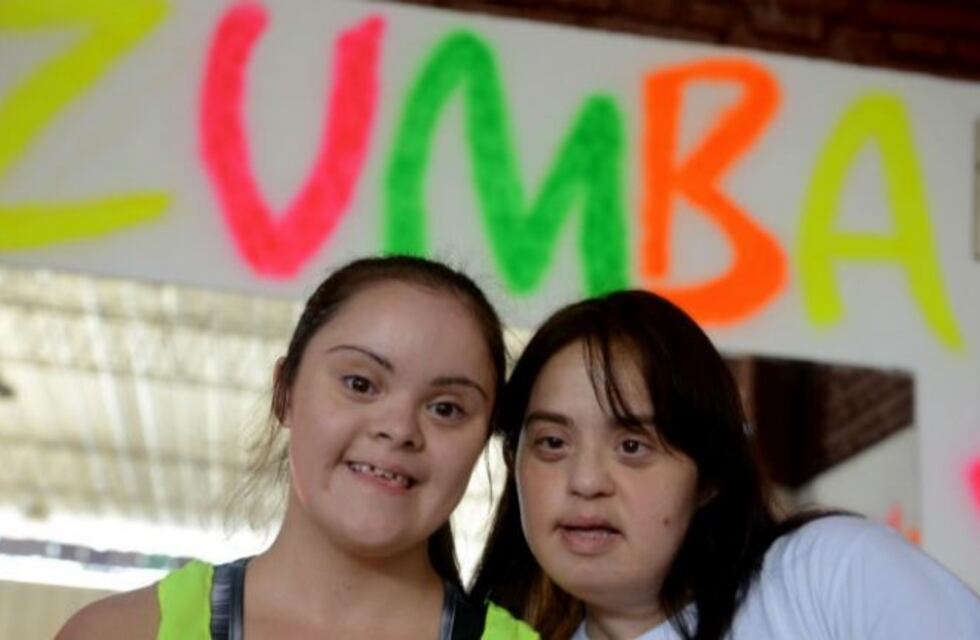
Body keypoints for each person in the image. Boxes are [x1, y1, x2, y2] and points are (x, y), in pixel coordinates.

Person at [58, 255, 537, 640]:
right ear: (285, 393)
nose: (398, 428)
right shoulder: (118, 631)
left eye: (447, 409)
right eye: (360, 383)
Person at [471, 289, 980, 640]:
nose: (585, 481)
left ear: (709, 477)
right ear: (514, 461)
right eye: (553, 443)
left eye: (632, 446)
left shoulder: (827, 572)